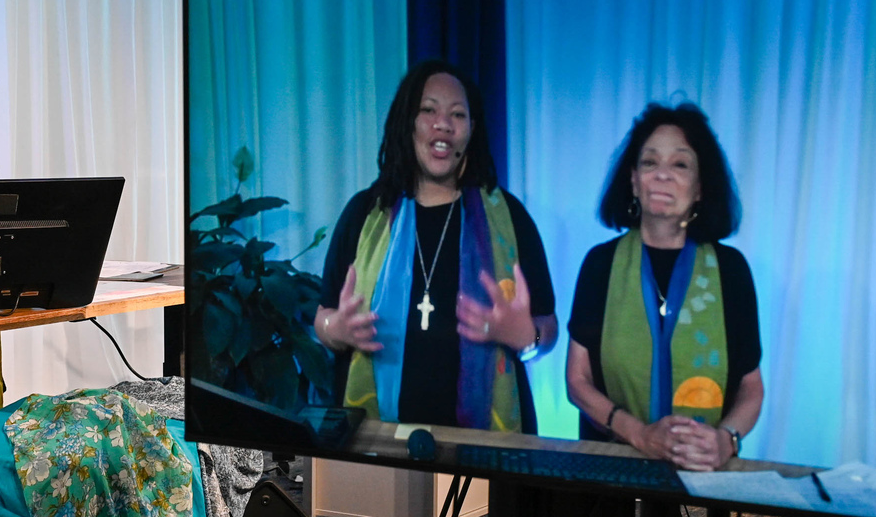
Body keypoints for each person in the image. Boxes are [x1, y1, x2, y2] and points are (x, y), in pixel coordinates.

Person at [315, 59, 558, 434]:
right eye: (428, 110)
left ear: (472, 130)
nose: (442, 123)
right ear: (407, 122)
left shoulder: (510, 219)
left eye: (457, 114)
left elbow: (548, 329)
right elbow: (323, 317)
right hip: (375, 446)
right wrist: (336, 329)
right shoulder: (364, 213)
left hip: (486, 449)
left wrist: (527, 339)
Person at [565, 103, 764, 514]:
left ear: (700, 187)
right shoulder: (600, 264)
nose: (662, 174)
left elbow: (751, 389)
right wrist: (638, 434)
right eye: (650, 162)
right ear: (633, 181)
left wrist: (725, 441)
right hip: (608, 479)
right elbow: (577, 381)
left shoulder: (731, 271)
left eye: (680, 164)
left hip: (702, 481)